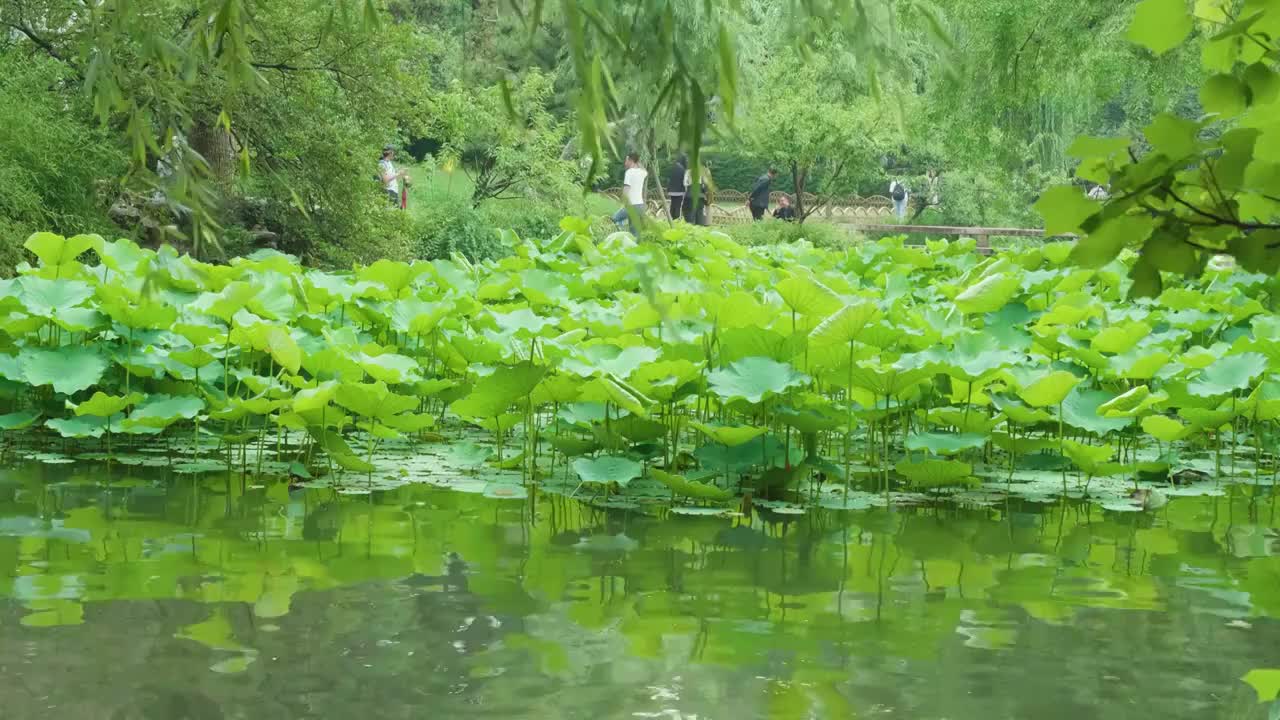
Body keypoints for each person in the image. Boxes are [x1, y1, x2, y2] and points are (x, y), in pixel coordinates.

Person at [612, 152, 648, 235]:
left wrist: (623, 202)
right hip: (640, 205)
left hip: (631, 206)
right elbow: (646, 171)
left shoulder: (629, 172)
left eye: (626, 160)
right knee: (635, 233)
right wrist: (637, 161)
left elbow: (626, 188)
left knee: (613, 219)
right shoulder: (642, 173)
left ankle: (619, 229)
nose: (625, 163)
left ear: (630, 160)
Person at [667, 153, 688, 221]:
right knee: (677, 205)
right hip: (679, 191)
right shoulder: (683, 169)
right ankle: (676, 218)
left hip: (671, 191)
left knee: (673, 204)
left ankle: (671, 218)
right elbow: (684, 181)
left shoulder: (672, 167)